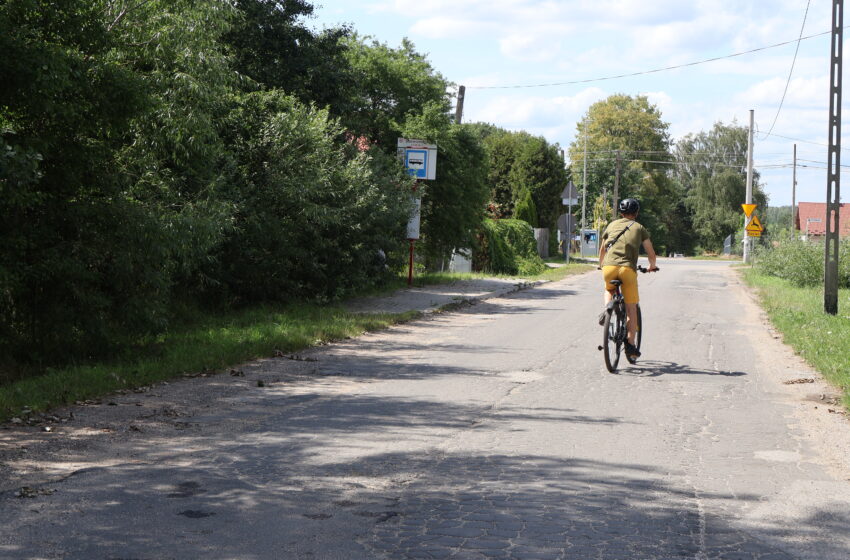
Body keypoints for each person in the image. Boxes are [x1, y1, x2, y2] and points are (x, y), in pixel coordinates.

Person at [597, 198, 658, 361]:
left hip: (609, 268)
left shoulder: (611, 225)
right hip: (627, 270)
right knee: (631, 309)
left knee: (609, 289)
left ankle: (607, 309)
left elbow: (602, 249)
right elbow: (651, 253)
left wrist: (601, 264)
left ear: (621, 213)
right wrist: (652, 266)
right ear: (636, 213)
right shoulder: (639, 228)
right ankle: (630, 346)